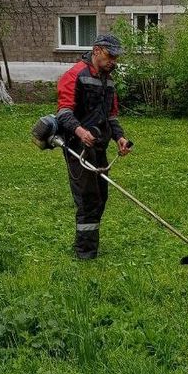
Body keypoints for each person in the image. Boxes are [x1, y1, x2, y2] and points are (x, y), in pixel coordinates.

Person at [56, 33, 132, 259]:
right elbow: (63, 112)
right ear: (97, 50)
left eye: (116, 58)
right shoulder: (75, 75)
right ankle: (85, 254)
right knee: (88, 200)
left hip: (99, 147)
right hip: (77, 147)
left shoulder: (108, 80)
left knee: (101, 198)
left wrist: (119, 138)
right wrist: (79, 131)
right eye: (111, 56)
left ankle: (90, 244)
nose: (114, 61)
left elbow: (111, 115)